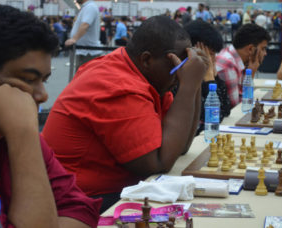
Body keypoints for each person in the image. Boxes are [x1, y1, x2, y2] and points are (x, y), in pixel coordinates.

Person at [0, 4, 100, 227]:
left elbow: (79, 209)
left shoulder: (10, 120)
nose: (43, 95)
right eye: (28, 79)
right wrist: (22, 133)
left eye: (45, 80)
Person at [42, 16, 208, 213]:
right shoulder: (116, 85)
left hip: (102, 193)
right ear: (146, 59)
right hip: (77, 202)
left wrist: (194, 81)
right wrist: (188, 86)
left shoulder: (143, 75)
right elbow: (158, 163)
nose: (181, 74)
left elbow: (180, 146)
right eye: (178, 66)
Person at [183, 20, 231, 134]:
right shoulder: (183, 80)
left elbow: (226, 109)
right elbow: (215, 118)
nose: (212, 60)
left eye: (214, 54)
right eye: (210, 54)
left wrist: (214, 76)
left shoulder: (203, 76)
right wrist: (209, 78)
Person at [216, 23, 271, 108]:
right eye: (263, 49)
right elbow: (238, 108)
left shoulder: (236, 60)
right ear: (250, 49)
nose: (265, 53)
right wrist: (251, 74)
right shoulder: (228, 65)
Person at [64, 0, 101, 71]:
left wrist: (74, 39)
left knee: (85, 78)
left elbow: (85, 25)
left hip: (88, 53)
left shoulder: (90, 7)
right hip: (85, 51)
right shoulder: (87, 7)